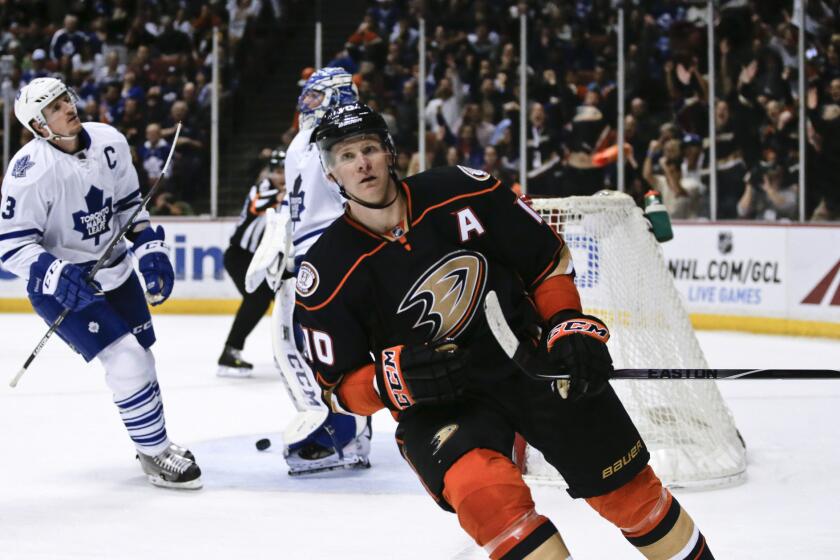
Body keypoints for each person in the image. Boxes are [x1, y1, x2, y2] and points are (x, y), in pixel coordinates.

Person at [296, 103, 716, 559]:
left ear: (389, 152)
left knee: (632, 497)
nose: (362, 163)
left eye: (370, 148)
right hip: (441, 409)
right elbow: (338, 390)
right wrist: (390, 380)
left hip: (531, 363)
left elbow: (545, 261)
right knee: (488, 498)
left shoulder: (462, 190)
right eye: (345, 156)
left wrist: (567, 326)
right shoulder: (327, 271)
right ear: (331, 172)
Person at [0, 78, 201, 490]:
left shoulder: (109, 141)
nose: (67, 107)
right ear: (39, 126)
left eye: (64, 99)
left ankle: (153, 444)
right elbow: (11, 245)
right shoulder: (29, 171)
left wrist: (148, 246)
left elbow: (130, 206)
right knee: (126, 360)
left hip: (116, 270)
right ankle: (158, 455)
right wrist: (55, 273)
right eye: (53, 108)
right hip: (65, 286)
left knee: (143, 358)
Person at [244, 67, 371, 475]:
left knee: (304, 346)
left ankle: (334, 429)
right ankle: (349, 434)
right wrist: (279, 240)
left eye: (317, 95)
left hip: (330, 252)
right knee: (318, 346)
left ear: (337, 96)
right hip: (308, 251)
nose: (307, 102)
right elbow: (296, 203)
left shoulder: (340, 138)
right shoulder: (306, 139)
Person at [217, 148, 287, 376]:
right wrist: (282, 194)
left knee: (266, 300)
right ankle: (229, 354)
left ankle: (233, 352)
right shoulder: (265, 186)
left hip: (260, 259)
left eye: (283, 171)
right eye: (276, 171)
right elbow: (257, 205)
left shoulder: (287, 193)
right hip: (240, 255)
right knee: (257, 300)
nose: (280, 176)